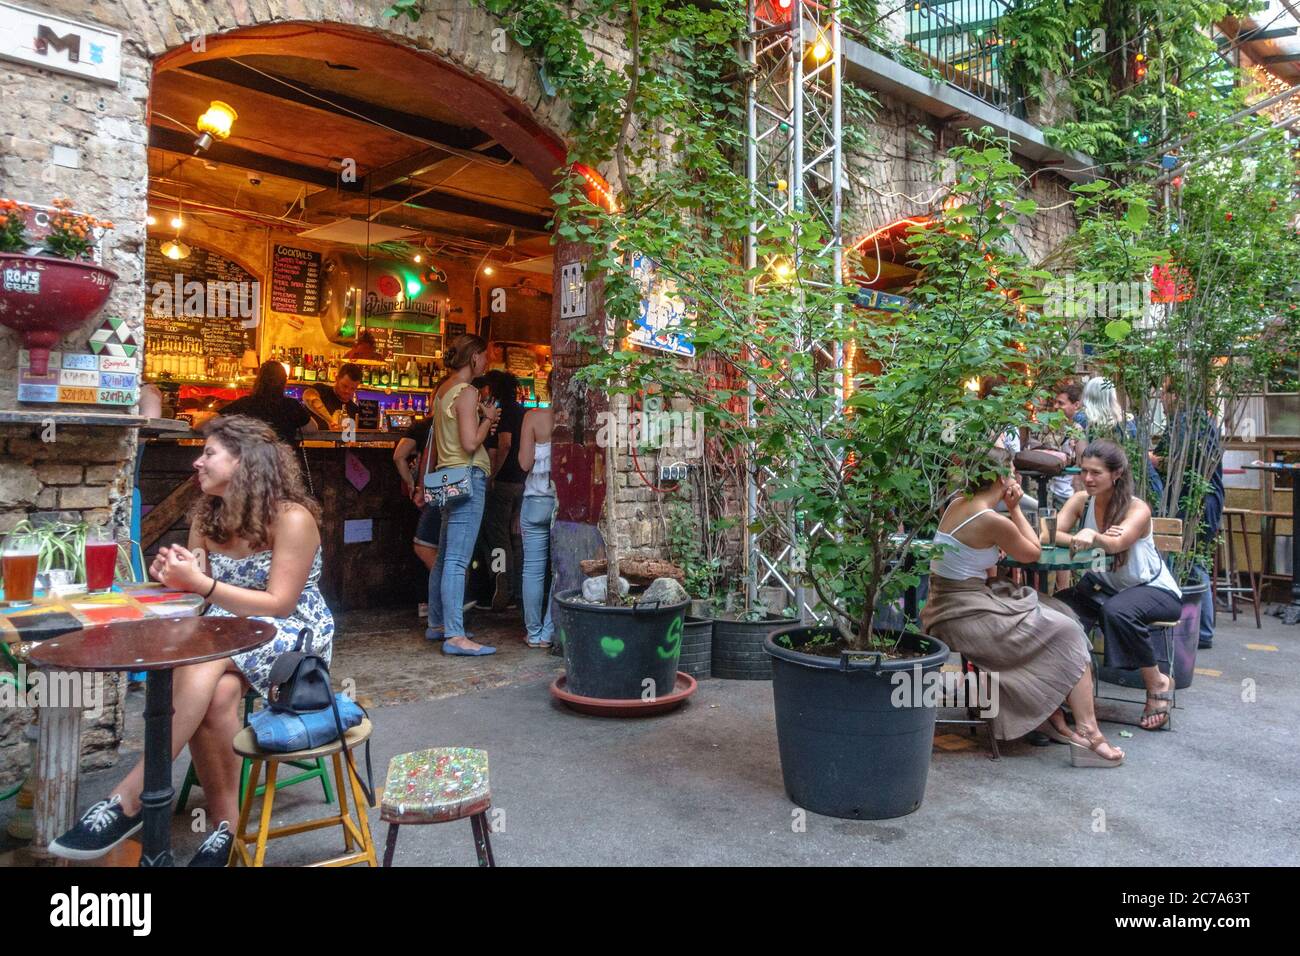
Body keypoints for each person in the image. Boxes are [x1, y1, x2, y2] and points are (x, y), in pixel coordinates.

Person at [49, 415, 332, 865]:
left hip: (291, 632)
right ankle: (226, 830)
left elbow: (279, 603)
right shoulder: (208, 514)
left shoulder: (293, 519)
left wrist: (200, 585)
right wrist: (175, 577)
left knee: (201, 658)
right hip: (226, 624)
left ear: (244, 463)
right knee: (217, 695)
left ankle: (129, 800)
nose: (197, 462)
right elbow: (198, 589)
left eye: (209, 453)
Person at [919, 449, 1123, 766]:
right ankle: (1089, 734)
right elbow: (1034, 553)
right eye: (1012, 472)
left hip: (956, 602)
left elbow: (979, 565)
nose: (1016, 478)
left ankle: (1052, 718)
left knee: (1064, 614)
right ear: (1002, 478)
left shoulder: (958, 504)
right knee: (1067, 631)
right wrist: (1014, 510)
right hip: (962, 613)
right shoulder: (990, 519)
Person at [1053, 439, 1182, 732]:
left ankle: (1157, 682)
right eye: (1084, 471)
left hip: (1153, 590)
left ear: (1117, 473)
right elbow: (1050, 534)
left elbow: (1117, 543)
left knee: (1117, 611)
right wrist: (1082, 536)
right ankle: (1062, 689)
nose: (1087, 478)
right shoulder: (1081, 500)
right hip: (1101, 587)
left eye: (1096, 472)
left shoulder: (1137, 509)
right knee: (1056, 611)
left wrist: (1093, 536)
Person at [428, 334, 501, 655]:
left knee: (445, 558)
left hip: (448, 477)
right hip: (469, 475)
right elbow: (471, 443)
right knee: (458, 560)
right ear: (473, 359)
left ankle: (438, 623)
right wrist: (488, 419)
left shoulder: (441, 391)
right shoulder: (468, 392)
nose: (488, 362)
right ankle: (456, 636)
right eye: (484, 356)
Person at [481, 369, 526, 611]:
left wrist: (492, 476)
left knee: (497, 535)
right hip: (521, 482)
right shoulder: (523, 411)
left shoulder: (505, 411)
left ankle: (502, 590)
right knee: (516, 535)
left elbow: (505, 444)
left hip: (505, 481)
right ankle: (518, 592)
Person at [517, 372, 556, 648]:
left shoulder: (532, 417)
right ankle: (548, 633)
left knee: (532, 570)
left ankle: (533, 633)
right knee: (560, 571)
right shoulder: (576, 421)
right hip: (560, 505)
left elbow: (523, 463)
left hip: (533, 502)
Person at [219, 360, 318, 445]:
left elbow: (215, 420)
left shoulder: (244, 403)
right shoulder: (292, 405)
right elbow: (312, 429)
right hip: (282, 463)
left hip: (251, 463)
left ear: (258, 380)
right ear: (284, 381)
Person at [392, 409, 440, 575]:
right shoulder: (462, 423)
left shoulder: (424, 426)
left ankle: (455, 592)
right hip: (456, 486)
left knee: (423, 546)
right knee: (449, 549)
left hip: (431, 490)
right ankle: (453, 592)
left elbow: (399, 456)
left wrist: (412, 484)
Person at [302, 363, 362, 430]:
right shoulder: (321, 390)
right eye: (344, 386)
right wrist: (330, 421)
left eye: (352, 388)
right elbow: (308, 395)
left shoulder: (354, 410)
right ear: (337, 379)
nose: (347, 391)